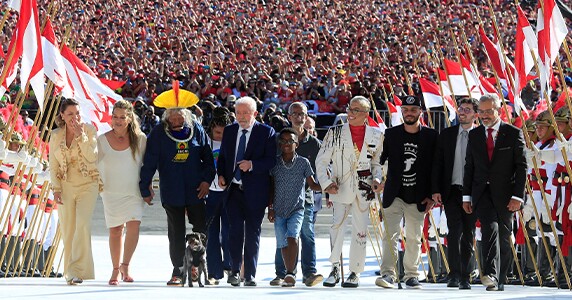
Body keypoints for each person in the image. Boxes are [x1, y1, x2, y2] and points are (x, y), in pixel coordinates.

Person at [139, 103, 215, 286]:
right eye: (172, 118)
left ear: (187, 117)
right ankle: (179, 270)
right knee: (176, 232)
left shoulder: (196, 128)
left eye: (180, 117)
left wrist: (206, 180)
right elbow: (149, 161)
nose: (176, 121)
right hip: (172, 189)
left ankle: (198, 265)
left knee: (201, 228)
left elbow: (208, 157)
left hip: (196, 189)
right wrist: (145, 186)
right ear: (166, 118)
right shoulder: (158, 133)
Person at [315, 96, 384, 288]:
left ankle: (355, 271)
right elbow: (321, 160)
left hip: (365, 188)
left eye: (355, 110)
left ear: (365, 114)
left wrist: (378, 178)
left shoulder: (376, 135)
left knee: (360, 229)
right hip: (340, 186)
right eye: (349, 109)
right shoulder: (334, 132)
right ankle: (335, 268)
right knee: (336, 227)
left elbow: (377, 163)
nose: (350, 113)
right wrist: (327, 183)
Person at [462, 94, 527, 291]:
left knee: (504, 237)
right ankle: (490, 273)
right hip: (482, 192)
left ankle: (500, 278)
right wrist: (467, 196)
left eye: (489, 111)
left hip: (507, 194)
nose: (484, 116)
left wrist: (518, 197)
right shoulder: (474, 134)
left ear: (499, 110)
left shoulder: (513, 133)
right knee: (490, 229)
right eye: (481, 112)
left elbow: (521, 167)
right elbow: (469, 167)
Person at [376, 95, 438, 289]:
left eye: (413, 110)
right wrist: (377, 178)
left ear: (420, 112)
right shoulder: (390, 134)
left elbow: (436, 167)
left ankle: (411, 274)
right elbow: (378, 159)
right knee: (389, 236)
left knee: (414, 236)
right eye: (406, 110)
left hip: (419, 195)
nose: (409, 113)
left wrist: (433, 193)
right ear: (401, 111)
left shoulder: (431, 136)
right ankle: (388, 274)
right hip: (394, 193)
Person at [217, 96, 276, 287]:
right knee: (234, 232)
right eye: (238, 113)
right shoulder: (230, 130)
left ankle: (249, 274)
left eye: (245, 113)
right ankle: (234, 271)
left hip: (256, 192)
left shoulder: (266, 132)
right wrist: (221, 175)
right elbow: (224, 158)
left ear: (255, 114)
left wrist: (252, 165)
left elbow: (271, 161)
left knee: (252, 233)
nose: (241, 117)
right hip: (233, 190)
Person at [270, 102, 324, 287]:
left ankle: (309, 273)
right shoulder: (279, 140)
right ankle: (282, 273)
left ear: (307, 116)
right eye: (295, 113)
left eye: (302, 113)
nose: (298, 116)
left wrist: (328, 189)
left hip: (305, 199)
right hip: (282, 199)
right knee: (282, 236)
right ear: (289, 116)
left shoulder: (315, 144)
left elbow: (321, 171)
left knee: (306, 234)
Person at [49, 98, 101, 285]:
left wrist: (81, 137)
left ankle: (77, 269)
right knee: (68, 228)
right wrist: (55, 189)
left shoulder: (90, 130)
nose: (74, 117)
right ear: (62, 115)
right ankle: (71, 271)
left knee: (82, 225)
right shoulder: (55, 135)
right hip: (65, 185)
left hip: (88, 183)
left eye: (77, 113)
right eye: (70, 114)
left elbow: (92, 156)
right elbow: (53, 164)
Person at [97, 100, 147, 285]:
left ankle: (125, 265)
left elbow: (147, 166)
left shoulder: (140, 139)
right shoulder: (102, 139)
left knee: (134, 226)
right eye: (115, 117)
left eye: (122, 117)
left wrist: (148, 187)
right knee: (116, 231)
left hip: (134, 192)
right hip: (111, 192)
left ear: (129, 118)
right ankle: (115, 269)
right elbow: (92, 163)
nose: (118, 120)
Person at [431, 98, 478, 289]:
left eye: (467, 110)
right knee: (454, 233)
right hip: (452, 191)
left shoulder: (480, 135)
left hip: (473, 194)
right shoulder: (447, 134)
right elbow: (438, 164)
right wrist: (435, 189)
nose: (462, 113)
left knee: (468, 234)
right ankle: (454, 274)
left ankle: (467, 275)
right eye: (461, 109)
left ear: (475, 114)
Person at [205, 107, 233, 285]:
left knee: (229, 233)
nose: (220, 136)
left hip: (229, 194)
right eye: (217, 132)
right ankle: (214, 272)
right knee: (211, 234)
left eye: (223, 133)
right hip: (210, 194)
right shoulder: (205, 144)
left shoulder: (232, 145)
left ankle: (230, 268)